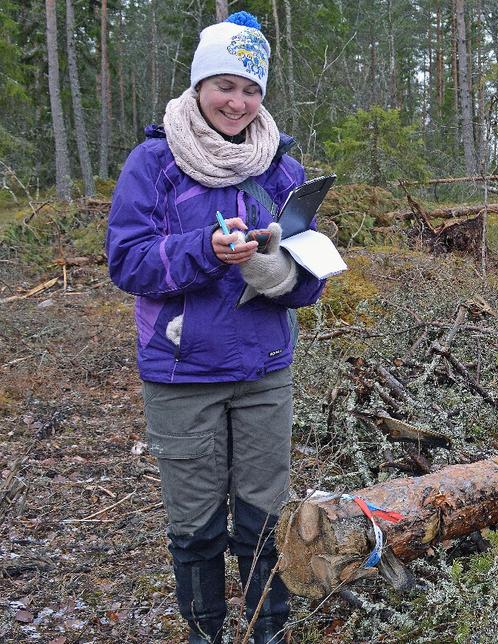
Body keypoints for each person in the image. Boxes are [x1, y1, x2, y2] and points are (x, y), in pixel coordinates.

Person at [106, 11, 324, 644]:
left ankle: (267, 631)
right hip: (182, 375)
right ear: (200, 85)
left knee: (264, 518)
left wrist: (276, 271)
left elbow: (311, 275)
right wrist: (206, 250)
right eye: (226, 85)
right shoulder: (156, 162)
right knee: (196, 524)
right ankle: (205, 632)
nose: (239, 102)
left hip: (264, 372)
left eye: (252, 89)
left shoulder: (281, 168)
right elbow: (127, 260)